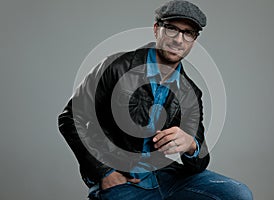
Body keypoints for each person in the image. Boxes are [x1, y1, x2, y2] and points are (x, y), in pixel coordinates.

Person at [58, 0, 253, 199]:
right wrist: (104, 172)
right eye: (171, 29)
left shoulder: (190, 93)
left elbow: (200, 162)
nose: (179, 40)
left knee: (238, 194)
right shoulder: (115, 67)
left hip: (164, 175)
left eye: (188, 33)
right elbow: (70, 119)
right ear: (156, 29)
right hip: (122, 178)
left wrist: (190, 145)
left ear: (194, 40)